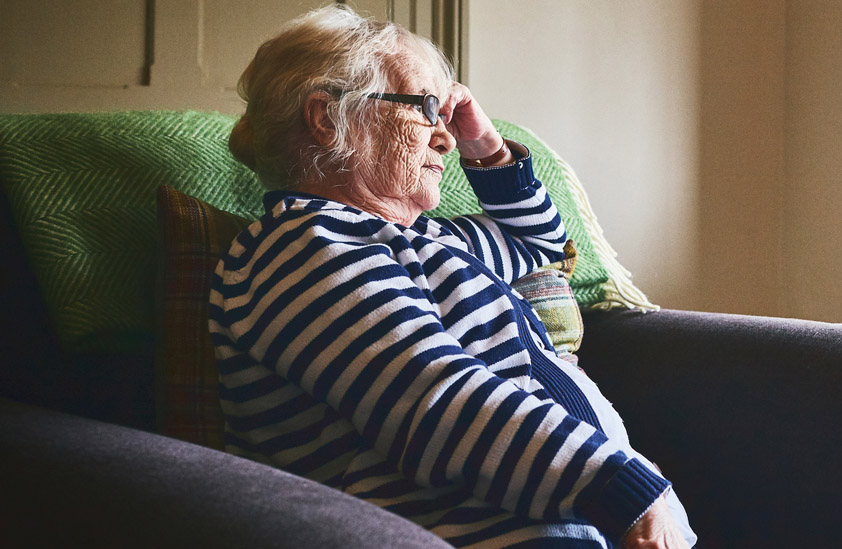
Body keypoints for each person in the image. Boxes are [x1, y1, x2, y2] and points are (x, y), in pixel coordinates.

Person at [210, 5, 696, 548]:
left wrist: (486, 149)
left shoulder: (434, 241)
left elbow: (543, 247)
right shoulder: (302, 248)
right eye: (424, 108)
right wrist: (626, 490)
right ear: (327, 118)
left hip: (569, 520)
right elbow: (436, 403)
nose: (444, 137)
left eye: (447, 114)